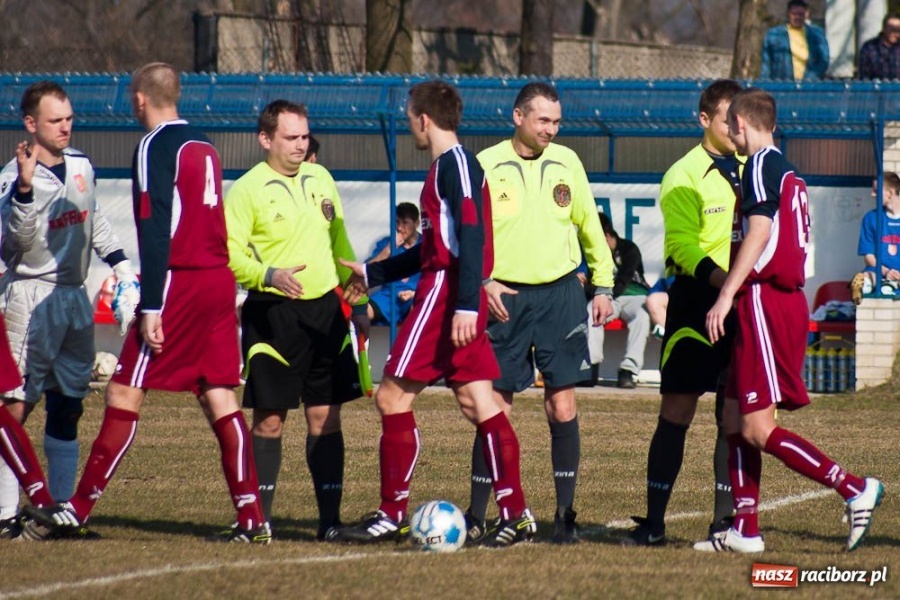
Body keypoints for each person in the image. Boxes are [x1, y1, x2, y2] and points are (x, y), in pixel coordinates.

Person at [22, 62, 269, 543]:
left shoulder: (154, 146)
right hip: (217, 280)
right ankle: (252, 517)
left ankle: (79, 506)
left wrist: (151, 303)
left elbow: (155, 229)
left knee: (122, 392)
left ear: (139, 99)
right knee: (218, 394)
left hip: (180, 282)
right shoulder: (203, 143)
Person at [333, 79, 535, 548]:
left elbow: (469, 237)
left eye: (409, 118)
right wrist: (376, 270)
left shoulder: (457, 165)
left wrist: (467, 302)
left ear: (423, 119)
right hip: (451, 289)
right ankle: (517, 515)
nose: (409, 126)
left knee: (391, 398)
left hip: (446, 295)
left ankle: (391, 515)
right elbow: (433, 245)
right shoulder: (450, 166)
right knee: (478, 403)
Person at [696, 87, 883, 553]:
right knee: (735, 417)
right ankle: (746, 530)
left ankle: (855, 488)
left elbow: (759, 233)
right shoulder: (786, 172)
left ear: (740, 124)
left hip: (765, 299)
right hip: (769, 300)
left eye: (731, 127)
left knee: (757, 427)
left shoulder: (760, 164)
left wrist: (725, 295)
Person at [470, 82, 615, 544]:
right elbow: (468, 235)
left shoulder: (567, 162)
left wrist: (603, 284)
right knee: (495, 407)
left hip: (560, 296)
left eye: (556, 121)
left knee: (562, 403)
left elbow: (589, 225)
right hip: (504, 299)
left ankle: (564, 516)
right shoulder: (485, 165)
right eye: (543, 120)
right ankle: (479, 514)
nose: (551, 129)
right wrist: (482, 281)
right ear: (518, 117)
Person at [0, 81, 139, 536]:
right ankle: (5, 515)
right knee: (16, 405)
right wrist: (23, 187)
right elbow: (15, 243)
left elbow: (92, 215)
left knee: (70, 402)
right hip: (31, 295)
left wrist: (119, 264)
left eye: (69, 118)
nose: (65, 127)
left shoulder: (80, 164)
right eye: (55, 120)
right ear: (30, 124)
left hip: (73, 295)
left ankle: (59, 513)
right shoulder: (11, 177)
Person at [223, 99, 367, 540]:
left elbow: (337, 236)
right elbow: (227, 254)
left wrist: (353, 289)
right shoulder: (246, 190)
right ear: (266, 139)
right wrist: (268, 275)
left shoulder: (321, 178)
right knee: (270, 419)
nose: (300, 145)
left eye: (305, 137)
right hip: (273, 314)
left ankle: (330, 524)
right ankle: (256, 521)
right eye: (291, 138)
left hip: (325, 312)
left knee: (326, 417)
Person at [624, 79, 744, 547]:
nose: (735, 128)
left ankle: (723, 523)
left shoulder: (750, 169)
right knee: (677, 411)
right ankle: (654, 523)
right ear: (703, 120)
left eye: (739, 119)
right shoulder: (683, 174)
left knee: (731, 414)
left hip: (739, 303)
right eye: (725, 119)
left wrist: (738, 292)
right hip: (696, 301)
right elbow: (681, 246)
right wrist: (724, 285)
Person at [0, 206, 64, 539]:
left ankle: (19, 509)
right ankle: (28, 503)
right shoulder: (13, 176)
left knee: (11, 411)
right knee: (10, 411)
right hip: (23, 297)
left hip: (51, 295)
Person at [586, 212, 651, 389]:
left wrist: (599, 292)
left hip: (633, 296)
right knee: (591, 311)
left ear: (607, 236)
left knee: (642, 316)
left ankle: (627, 370)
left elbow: (623, 280)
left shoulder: (629, 249)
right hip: (608, 299)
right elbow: (590, 286)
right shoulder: (593, 255)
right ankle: (591, 367)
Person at [366, 202, 421, 325]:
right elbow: (367, 271)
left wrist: (414, 293)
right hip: (388, 297)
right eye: (397, 222)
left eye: (405, 223)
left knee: (417, 308)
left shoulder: (425, 244)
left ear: (416, 223)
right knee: (361, 312)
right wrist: (388, 250)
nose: (400, 228)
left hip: (415, 297)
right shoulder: (386, 243)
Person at [850, 172, 900, 304]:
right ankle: (863, 285)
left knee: (887, 287)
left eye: (876, 191)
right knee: (868, 280)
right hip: (879, 271)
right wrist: (886, 271)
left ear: (890, 193)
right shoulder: (871, 218)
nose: (872, 194)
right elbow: (868, 256)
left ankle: (887, 284)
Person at [761, 0, 830, 81]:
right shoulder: (774, 35)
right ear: (788, 14)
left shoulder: (817, 34)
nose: (797, 17)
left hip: (810, 86)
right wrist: (765, 83)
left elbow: (824, 60)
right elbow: (766, 63)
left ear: (806, 14)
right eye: (794, 14)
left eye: (801, 14)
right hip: (781, 85)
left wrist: (811, 77)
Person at [857, 13, 900, 80]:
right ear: (884, 28)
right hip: (875, 88)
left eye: (898, 29)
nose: (895, 32)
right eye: (892, 29)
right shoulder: (869, 48)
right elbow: (864, 75)